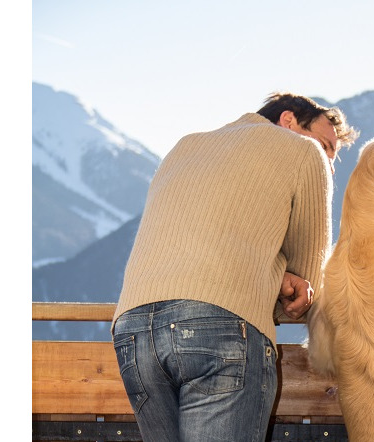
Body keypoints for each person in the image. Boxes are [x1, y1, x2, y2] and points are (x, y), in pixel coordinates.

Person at [111, 92, 358, 441]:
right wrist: (282, 278)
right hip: (220, 326)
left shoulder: (185, 145)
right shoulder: (304, 153)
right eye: (326, 146)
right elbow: (307, 283)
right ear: (288, 120)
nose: (330, 163)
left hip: (133, 331)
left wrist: (269, 269)